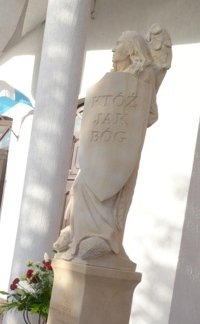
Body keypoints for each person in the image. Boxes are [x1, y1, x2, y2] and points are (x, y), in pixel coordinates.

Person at [54, 29, 167, 264]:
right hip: (96, 157)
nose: (114, 48)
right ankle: (78, 234)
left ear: (132, 49)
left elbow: (151, 114)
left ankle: (104, 239)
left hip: (118, 157)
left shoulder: (142, 77)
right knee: (78, 189)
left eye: (119, 43)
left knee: (110, 193)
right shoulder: (109, 82)